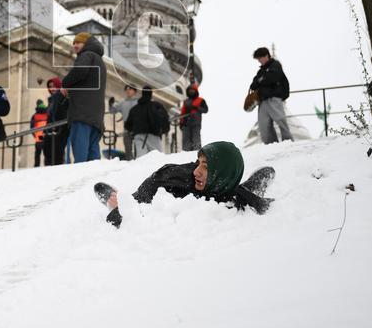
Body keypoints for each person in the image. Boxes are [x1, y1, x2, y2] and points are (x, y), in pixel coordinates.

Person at [94, 141, 274, 228]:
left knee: (245, 190)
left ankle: (253, 183)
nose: (197, 171)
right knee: (134, 203)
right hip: (161, 192)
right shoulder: (180, 177)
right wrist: (124, 210)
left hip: (228, 187)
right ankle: (116, 200)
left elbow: (267, 208)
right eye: (199, 162)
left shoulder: (231, 189)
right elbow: (150, 187)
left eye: (206, 165)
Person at [61, 32, 108, 163]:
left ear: (86, 44)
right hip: (96, 116)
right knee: (93, 156)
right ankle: (94, 181)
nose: (75, 45)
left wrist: (65, 83)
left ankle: (79, 181)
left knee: (80, 156)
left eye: (78, 42)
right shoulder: (100, 61)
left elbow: (80, 71)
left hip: (82, 113)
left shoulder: (86, 55)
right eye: (74, 43)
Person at [249, 47, 292, 144]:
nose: (259, 61)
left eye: (260, 58)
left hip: (274, 98)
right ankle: (271, 144)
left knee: (281, 121)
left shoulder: (275, 65)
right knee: (264, 125)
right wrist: (261, 80)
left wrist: (261, 80)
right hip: (263, 101)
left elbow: (272, 78)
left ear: (266, 56)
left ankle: (288, 142)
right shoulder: (261, 71)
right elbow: (253, 84)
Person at [123, 85, 170, 158]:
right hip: (153, 135)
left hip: (138, 135)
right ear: (151, 94)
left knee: (141, 159)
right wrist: (162, 131)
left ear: (142, 93)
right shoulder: (156, 106)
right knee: (157, 159)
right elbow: (165, 119)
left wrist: (134, 131)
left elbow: (127, 125)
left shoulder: (135, 109)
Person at [109, 84, 139, 160]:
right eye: (127, 89)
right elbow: (113, 111)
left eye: (130, 89)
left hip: (138, 130)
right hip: (127, 130)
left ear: (134, 91)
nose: (128, 91)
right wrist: (111, 105)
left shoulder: (139, 102)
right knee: (128, 151)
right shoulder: (122, 102)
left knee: (138, 151)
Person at [45, 77, 70, 165]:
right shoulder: (51, 100)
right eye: (50, 87)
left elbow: (64, 112)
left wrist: (57, 125)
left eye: (54, 86)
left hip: (61, 129)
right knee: (48, 151)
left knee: (58, 154)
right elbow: (49, 116)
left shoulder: (63, 96)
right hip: (51, 130)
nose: (52, 89)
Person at [179, 83, 209, 151]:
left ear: (195, 91)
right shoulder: (186, 102)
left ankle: (197, 152)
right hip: (186, 123)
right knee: (186, 140)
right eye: (190, 90)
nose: (191, 91)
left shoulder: (200, 100)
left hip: (196, 123)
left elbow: (205, 110)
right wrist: (181, 122)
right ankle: (186, 153)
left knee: (196, 138)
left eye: (192, 90)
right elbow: (182, 112)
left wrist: (197, 108)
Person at [30, 99, 49, 167]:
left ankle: (36, 166)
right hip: (46, 136)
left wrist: (35, 136)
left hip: (38, 137)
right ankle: (47, 166)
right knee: (47, 153)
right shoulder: (47, 114)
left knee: (37, 154)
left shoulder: (34, 116)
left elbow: (31, 128)